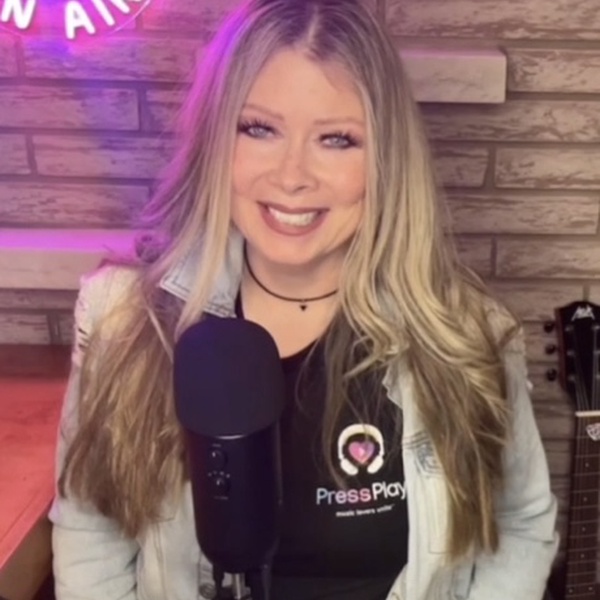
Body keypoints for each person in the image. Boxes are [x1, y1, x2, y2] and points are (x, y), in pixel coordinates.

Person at [49, 0, 559, 599]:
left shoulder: (467, 333)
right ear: (217, 138)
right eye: (259, 128)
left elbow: (522, 523)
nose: (292, 176)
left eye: (337, 139)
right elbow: (92, 529)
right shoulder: (125, 321)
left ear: (386, 160)